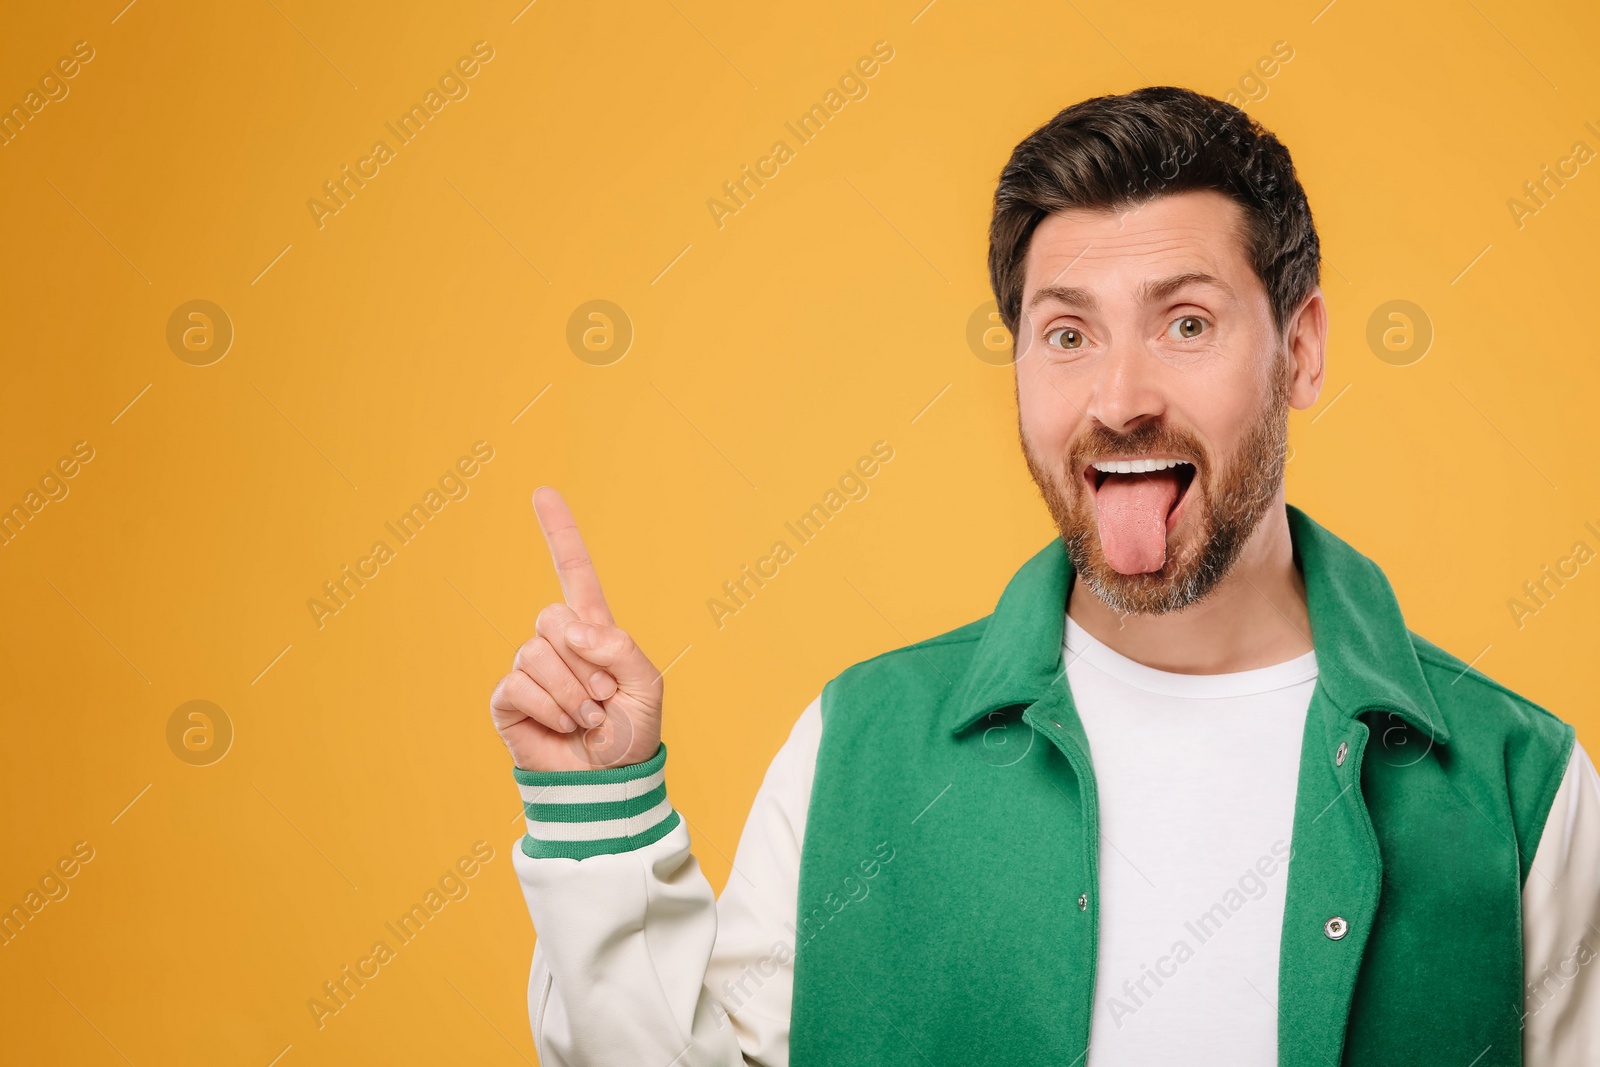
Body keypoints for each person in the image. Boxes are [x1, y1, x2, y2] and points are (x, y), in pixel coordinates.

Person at [486, 87, 1600, 1066]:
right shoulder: (860, 741)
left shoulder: (1517, 780)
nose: (1119, 397)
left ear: (1299, 350)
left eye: (1186, 321)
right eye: (1065, 334)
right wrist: (599, 814)